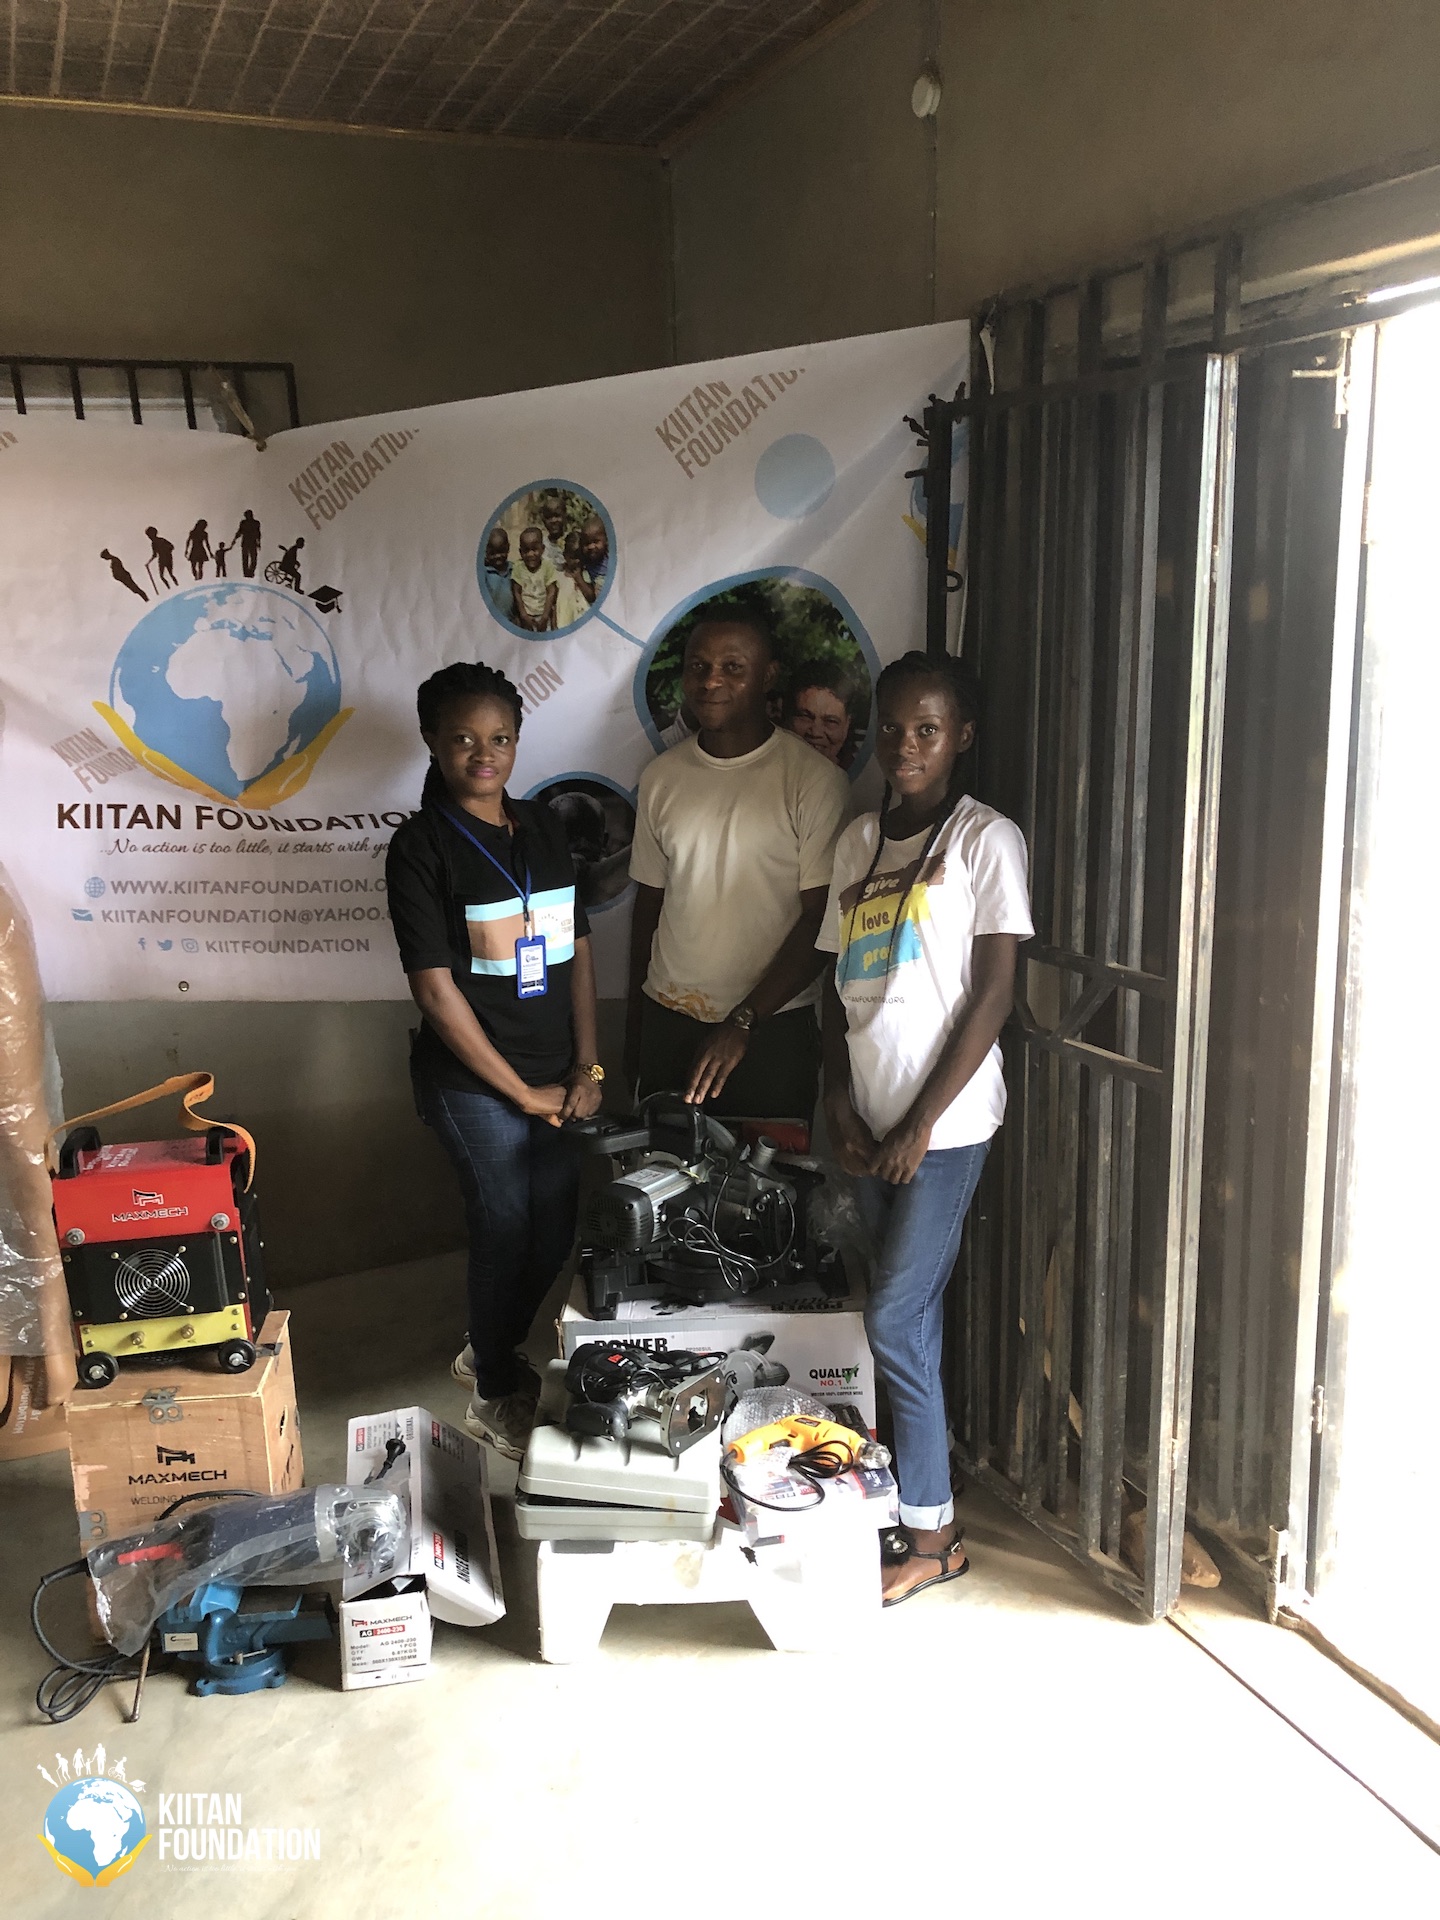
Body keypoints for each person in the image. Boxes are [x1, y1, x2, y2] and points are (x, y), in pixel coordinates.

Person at [817, 651, 1033, 1605]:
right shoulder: (858, 841)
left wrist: (919, 1124)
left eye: (929, 730)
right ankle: (917, 1487)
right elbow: (835, 991)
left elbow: (993, 996)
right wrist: (839, 1104)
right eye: (894, 727)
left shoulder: (987, 840)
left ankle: (935, 1537)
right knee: (909, 1316)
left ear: (962, 738)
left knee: (894, 1319)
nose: (905, 745)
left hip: (943, 1129)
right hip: (869, 1119)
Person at [386, 661, 604, 1458]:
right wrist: (523, 1092)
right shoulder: (420, 848)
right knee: (505, 1224)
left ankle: (488, 1343)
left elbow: (577, 949)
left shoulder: (542, 826)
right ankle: (494, 1390)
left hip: (558, 1074)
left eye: (500, 738)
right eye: (464, 740)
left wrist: (587, 1069)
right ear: (432, 742)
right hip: (473, 1082)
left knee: (554, 1230)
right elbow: (434, 991)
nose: (485, 754)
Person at [626, 612, 849, 1131]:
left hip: (771, 1028)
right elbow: (648, 907)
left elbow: (822, 920)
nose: (711, 682)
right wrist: (635, 1027)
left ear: (768, 676)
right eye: (698, 666)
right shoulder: (661, 778)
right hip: (668, 1022)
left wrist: (744, 1020)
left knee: (765, 1179)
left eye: (732, 667)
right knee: (666, 1176)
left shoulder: (813, 781)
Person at [785, 659, 862, 769]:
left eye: (830, 721)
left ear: (846, 726)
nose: (815, 732)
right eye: (805, 717)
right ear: (787, 716)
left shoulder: (860, 776)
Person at [510, 526, 558, 632]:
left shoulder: (547, 566)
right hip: (526, 617)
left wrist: (545, 616)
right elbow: (517, 592)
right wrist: (523, 615)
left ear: (542, 549)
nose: (530, 554)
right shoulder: (518, 567)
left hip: (544, 615)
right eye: (526, 550)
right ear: (520, 552)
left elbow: (551, 591)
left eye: (534, 549)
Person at [553, 530, 591, 628]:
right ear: (565, 555)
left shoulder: (586, 574)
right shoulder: (559, 576)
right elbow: (554, 605)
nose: (577, 561)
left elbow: (591, 597)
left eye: (580, 557)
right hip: (564, 622)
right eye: (573, 557)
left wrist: (579, 579)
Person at [482, 526, 515, 622]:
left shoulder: (514, 569)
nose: (498, 556)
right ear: (486, 552)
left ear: (508, 548)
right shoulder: (484, 573)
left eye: (501, 551)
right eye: (492, 553)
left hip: (511, 621)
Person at [575, 515, 610, 604]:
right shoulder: (585, 563)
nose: (591, 547)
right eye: (587, 543)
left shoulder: (611, 559)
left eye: (595, 541)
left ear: (606, 540)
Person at [540, 494, 569, 572]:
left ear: (565, 516)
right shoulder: (541, 547)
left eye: (557, 516)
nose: (553, 521)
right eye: (549, 517)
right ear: (543, 520)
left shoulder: (574, 541)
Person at [233, 509, 262, 578]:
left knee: (252, 559)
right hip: (247, 542)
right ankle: (247, 573)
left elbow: (258, 533)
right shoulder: (246, 523)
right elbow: (240, 531)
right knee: (246, 559)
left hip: (251, 542)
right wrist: (235, 539)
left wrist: (258, 542)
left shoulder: (255, 523)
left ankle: (250, 572)